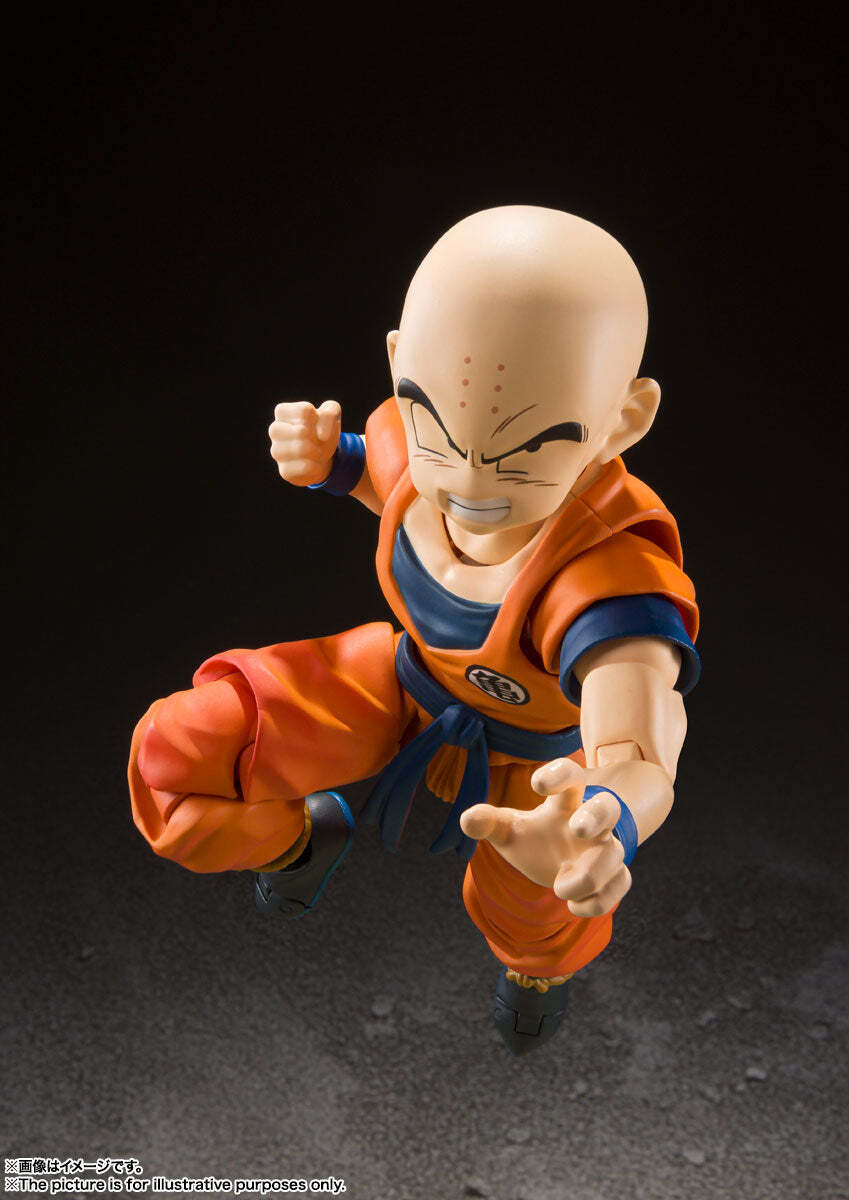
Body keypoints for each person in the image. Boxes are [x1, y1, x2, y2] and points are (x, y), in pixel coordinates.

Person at [129, 206, 700, 1055]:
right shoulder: (414, 447)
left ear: (622, 420)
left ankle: (537, 970)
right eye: (435, 426)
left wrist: (604, 817)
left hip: (537, 768)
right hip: (401, 684)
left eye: (529, 446)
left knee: (532, 894)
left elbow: (640, 753)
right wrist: (330, 462)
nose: (467, 480)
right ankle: (295, 845)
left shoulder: (607, 587)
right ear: (400, 366)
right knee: (181, 751)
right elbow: (386, 471)